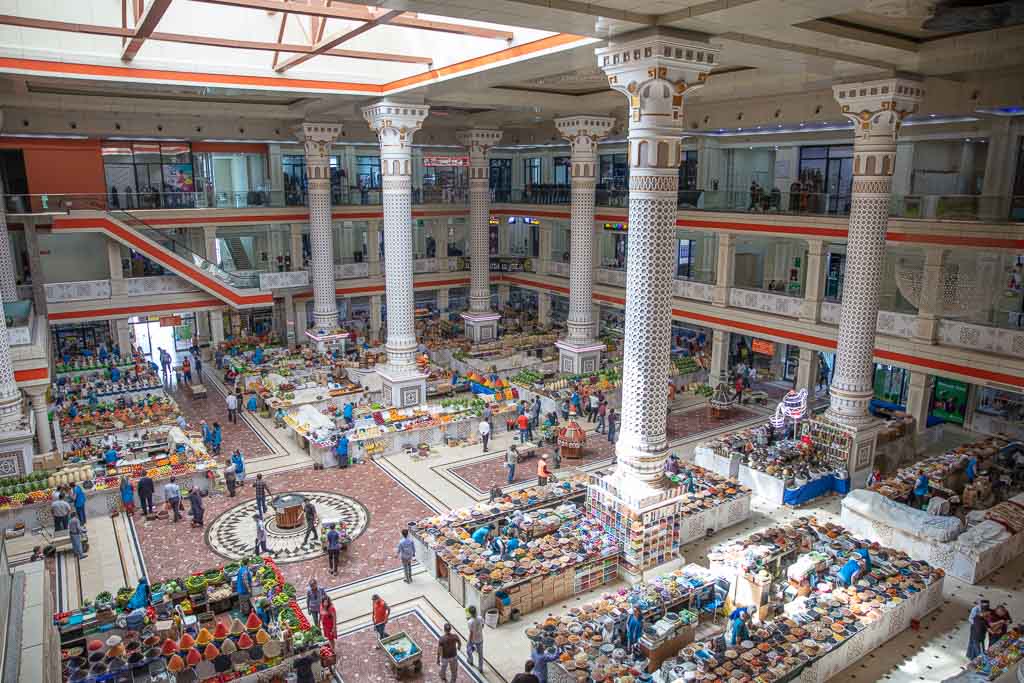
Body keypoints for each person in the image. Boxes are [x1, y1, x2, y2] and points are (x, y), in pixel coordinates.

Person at [466, 605, 484, 670]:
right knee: (480, 654)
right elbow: (482, 626)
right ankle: (480, 668)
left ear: (470, 613)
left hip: (473, 640)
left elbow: (471, 633)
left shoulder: (470, 622)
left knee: (468, 650)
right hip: (480, 638)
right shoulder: (480, 618)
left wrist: (469, 641)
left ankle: (470, 660)